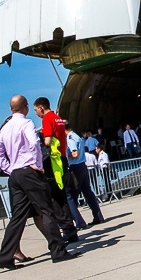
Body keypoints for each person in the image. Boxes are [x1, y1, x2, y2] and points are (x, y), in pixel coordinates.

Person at [0, 95, 78, 270]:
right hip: (29, 172)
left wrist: (9, 168)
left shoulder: (6, 128)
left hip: (15, 175)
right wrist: (38, 165)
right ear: (25, 107)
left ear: (11, 109)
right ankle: (58, 251)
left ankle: (5, 256)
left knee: (18, 216)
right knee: (46, 210)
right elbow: (34, 144)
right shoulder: (27, 124)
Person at [32, 98, 87, 234]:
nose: (36, 113)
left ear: (41, 107)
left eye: (36, 110)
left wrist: (40, 137)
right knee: (63, 195)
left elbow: (48, 141)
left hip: (54, 160)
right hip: (62, 158)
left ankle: (67, 227)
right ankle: (71, 227)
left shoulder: (47, 118)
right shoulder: (58, 118)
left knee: (55, 197)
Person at [65, 122, 106, 226]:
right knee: (88, 192)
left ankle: (78, 222)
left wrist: (66, 156)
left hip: (75, 167)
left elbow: (75, 153)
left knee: (72, 196)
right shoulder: (76, 136)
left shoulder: (70, 138)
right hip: (82, 166)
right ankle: (98, 216)